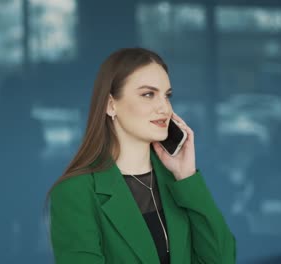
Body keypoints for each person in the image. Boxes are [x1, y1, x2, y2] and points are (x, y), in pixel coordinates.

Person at [47, 47, 236, 264]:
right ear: (111, 105)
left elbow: (222, 259)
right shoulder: (75, 192)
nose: (164, 107)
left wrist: (187, 176)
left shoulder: (178, 183)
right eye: (148, 94)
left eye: (167, 95)